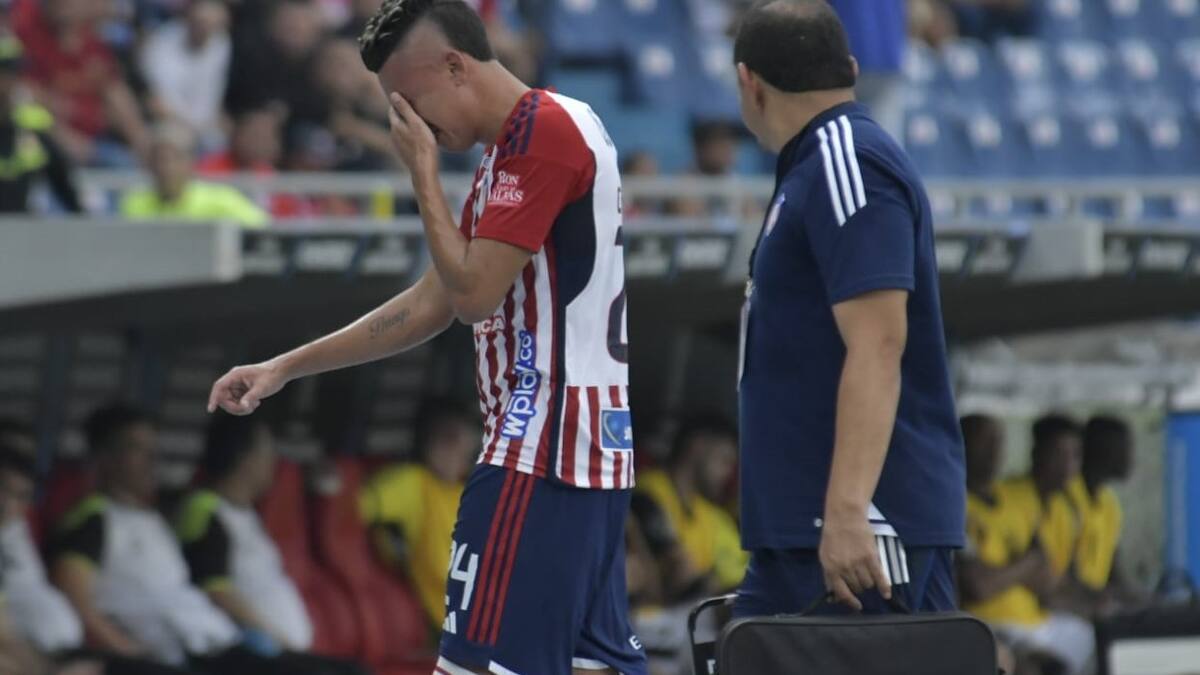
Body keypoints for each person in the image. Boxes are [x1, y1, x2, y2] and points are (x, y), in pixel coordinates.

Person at [206, 1, 646, 673]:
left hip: (538, 449)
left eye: (410, 102)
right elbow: (429, 304)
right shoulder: (537, 134)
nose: (410, 124)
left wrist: (421, 174)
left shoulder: (541, 135)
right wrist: (285, 366)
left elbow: (470, 297)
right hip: (585, 449)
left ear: (455, 66)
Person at [731, 0, 965, 618]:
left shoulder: (847, 159)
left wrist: (846, 511)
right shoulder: (816, 163)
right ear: (852, 68)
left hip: (859, 529)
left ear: (748, 82)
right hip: (805, 528)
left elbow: (879, 343)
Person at [47, 404, 344, 675]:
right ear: (104, 457)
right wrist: (129, 653)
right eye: (137, 449)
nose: (152, 460)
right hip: (170, 657)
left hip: (214, 643)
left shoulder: (154, 519)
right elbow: (75, 597)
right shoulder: (92, 520)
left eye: (154, 449)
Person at [176, 412, 370, 675]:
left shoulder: (246, 513)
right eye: (267, 452)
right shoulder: (204, 509)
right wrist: (273, 637)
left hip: (288, 653)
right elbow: (214, 590)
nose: (274, 462)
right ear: (244, 457)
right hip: (252, 656)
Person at [957, 414, 1093, 675]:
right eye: (984, 440)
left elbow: (1045, 576)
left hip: (1034, 620)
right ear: (961, 443)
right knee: (1038, 666)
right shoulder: (957, 507)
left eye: (999, 441)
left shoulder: (1009, 503)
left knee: (1096, 638)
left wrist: (1010, 570)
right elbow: (979, 586)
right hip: (990, 624)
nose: (994, 450)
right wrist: (1024, 566)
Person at [359, 398, 478, 628]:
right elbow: (354, 510)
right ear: (431, 441)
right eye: (450, 440)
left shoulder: (467, 494)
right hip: (446, 622)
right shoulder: (413, 483)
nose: (460, 452)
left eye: (466, 447)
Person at [12, 0, 150, 166]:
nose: (65, 7)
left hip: (99, 134)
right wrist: (64, 128)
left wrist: (141, 140)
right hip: (56, 138)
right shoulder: (30, 38)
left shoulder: (92, 44)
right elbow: (24, 92)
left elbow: (113, 90)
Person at [631, 415, 747, 600]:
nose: (727, 473)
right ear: (698, 446)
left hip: (693, 611)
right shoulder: (648, 492)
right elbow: (678, 571)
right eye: (724, 460)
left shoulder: (706, 513)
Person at [1060, 415, 1146, 616]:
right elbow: (1063, 575)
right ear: (1102, 450)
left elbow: (1114, 572)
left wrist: (1141, 598)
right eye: (1125, 448)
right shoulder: (1067, 496)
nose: (1131, 458)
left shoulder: (1109, 504)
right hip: (1071, 608)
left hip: (1098, 605)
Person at [120, 123, 268, 228]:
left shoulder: (223, 201)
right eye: (160, 159)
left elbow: (263, 228)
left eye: (176, 158)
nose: (167, 167)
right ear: (149, 165)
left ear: (191, 163)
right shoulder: (134, 204)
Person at [0, 33, 80, 214]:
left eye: (12, 72)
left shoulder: (33, 126)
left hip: (23, 226)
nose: (6, 82)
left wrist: (83, 218)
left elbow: (64, 186)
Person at [139, 0, 232, 151]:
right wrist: (194, 125)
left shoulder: (222, 45)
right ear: (189, 17)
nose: (205, 30)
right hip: (168, 122)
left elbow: (212, 95)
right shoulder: (161, 43)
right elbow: (157, 102)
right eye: (201, 23)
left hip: (205, 126)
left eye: (213, 26)